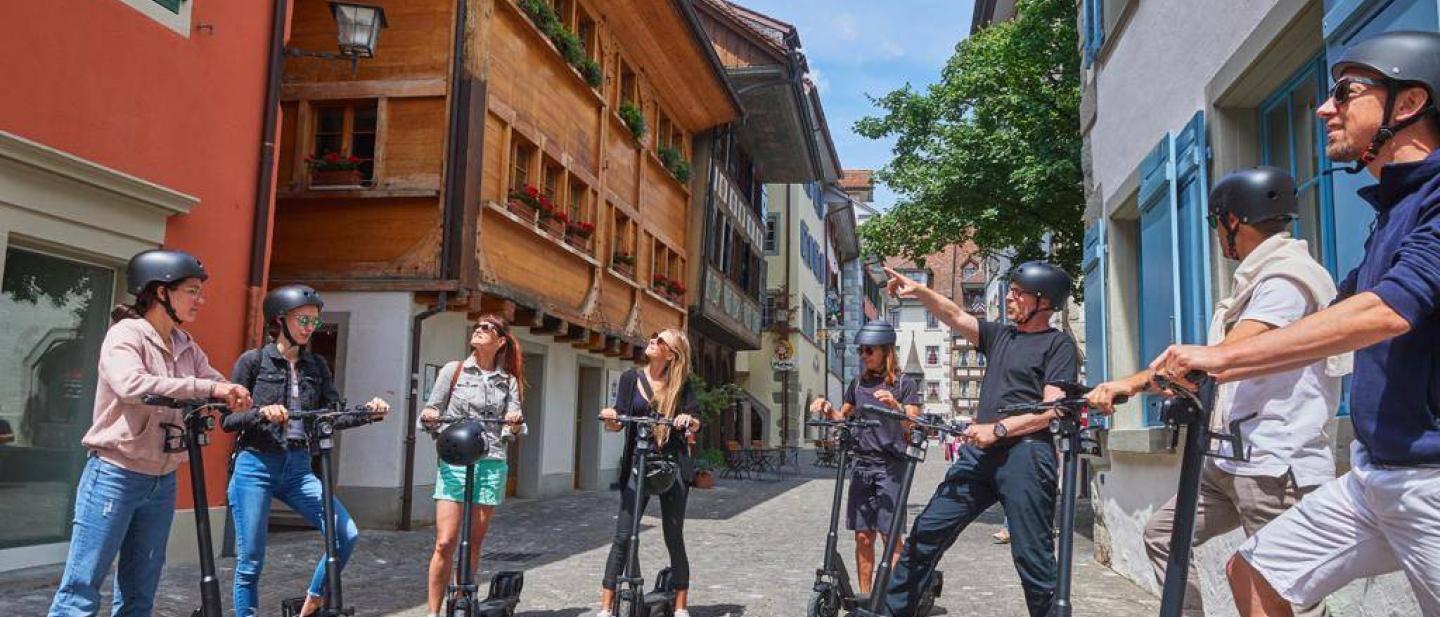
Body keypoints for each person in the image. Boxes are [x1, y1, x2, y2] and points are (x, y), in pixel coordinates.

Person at [1152, 30, 1440, 617]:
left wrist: (1222, 357)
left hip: (1431, 479)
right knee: (1256, 571)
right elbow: (1335, 315)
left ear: (1408, 104)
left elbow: (1388, 309)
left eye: (1345, 91)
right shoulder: (1392, 213)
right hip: (1377, 475)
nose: (1324, 107)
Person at [1086, 167, 1351, 617]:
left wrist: (1131, 383)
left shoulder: (1286, 280)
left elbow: (1225, 356)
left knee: (1282, 589)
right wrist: (1135, 385)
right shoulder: (1257, 281)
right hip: (1229, 459)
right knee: (1164, 536)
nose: (1216, 235)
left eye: (1217, 224)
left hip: (1271, 463)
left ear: (1233, 222)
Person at [48, 249, 252, 617]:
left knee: (141, 591)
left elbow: (213, 383)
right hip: (115, 473)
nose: (200, 300)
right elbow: (132, 384)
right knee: (81, 589)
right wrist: (208, 390)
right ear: (161, 291)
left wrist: (234, 395)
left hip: (162, 479)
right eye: (192, 290)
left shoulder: (185, 344)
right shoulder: (125, 334)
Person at [880, 261, 1078, 617]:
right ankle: (889, 613)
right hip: (980, 456)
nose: (1011, 298)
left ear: (1043, 302)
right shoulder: (1002, 335)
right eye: (1011, 291)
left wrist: (998, 428)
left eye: (1019, 293)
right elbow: (954, 315)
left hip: (1027, 457)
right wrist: (920, 291)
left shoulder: (1057, 345)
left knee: (1033, 559)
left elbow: (1054, 409)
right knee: (926, 532)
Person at [225, 285, 390, 617]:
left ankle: (314, 599)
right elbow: (228, 420)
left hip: (299, 468)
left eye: (314, 322)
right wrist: (261, 412)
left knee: (346, 533)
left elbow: (330, 417)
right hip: (255, 464)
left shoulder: (316, 366)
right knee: (250, 560)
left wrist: (367, 413)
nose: (309, 327)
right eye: (303, 319)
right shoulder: (254, 361)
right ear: (280, 319)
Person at [418, 315, 526, 617]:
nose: (479, 330)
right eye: (477, 326)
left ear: (500, 341)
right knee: (445, 542)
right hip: (454, 462)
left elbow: (513, 425)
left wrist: (514, 425)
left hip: (490, 462)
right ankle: (432, 612)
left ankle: (460, 604)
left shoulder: (509, 381)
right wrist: (429, 416)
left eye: (487, 328)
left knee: (472, 544)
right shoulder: (453, 371)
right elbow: (432, 409)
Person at [808, 319, 923, 595]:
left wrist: (896, 406)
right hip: (861, 465)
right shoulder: (858, 383)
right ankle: (866, 597)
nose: (864, 356)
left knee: (890, 537)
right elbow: (842, 419)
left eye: (869, 350)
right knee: (862, 536)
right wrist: (827, 408)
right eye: (861, 351)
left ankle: (895, 600)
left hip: (891, 467)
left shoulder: (904, 384)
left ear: (886, 350)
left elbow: (915, 427)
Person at [595, 329, 701, 617]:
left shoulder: (681, 385)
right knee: (623, 534)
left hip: (673, 465)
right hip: (638, 464)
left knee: (673, 534)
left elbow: (695, 422)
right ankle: (606, 607)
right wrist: (611, 418)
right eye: (654, 338)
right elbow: (618, 422)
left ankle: (680, 606)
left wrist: (687, 419)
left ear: (672, 354)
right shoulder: (631, 378)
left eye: (660, 340)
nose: (652, 342)